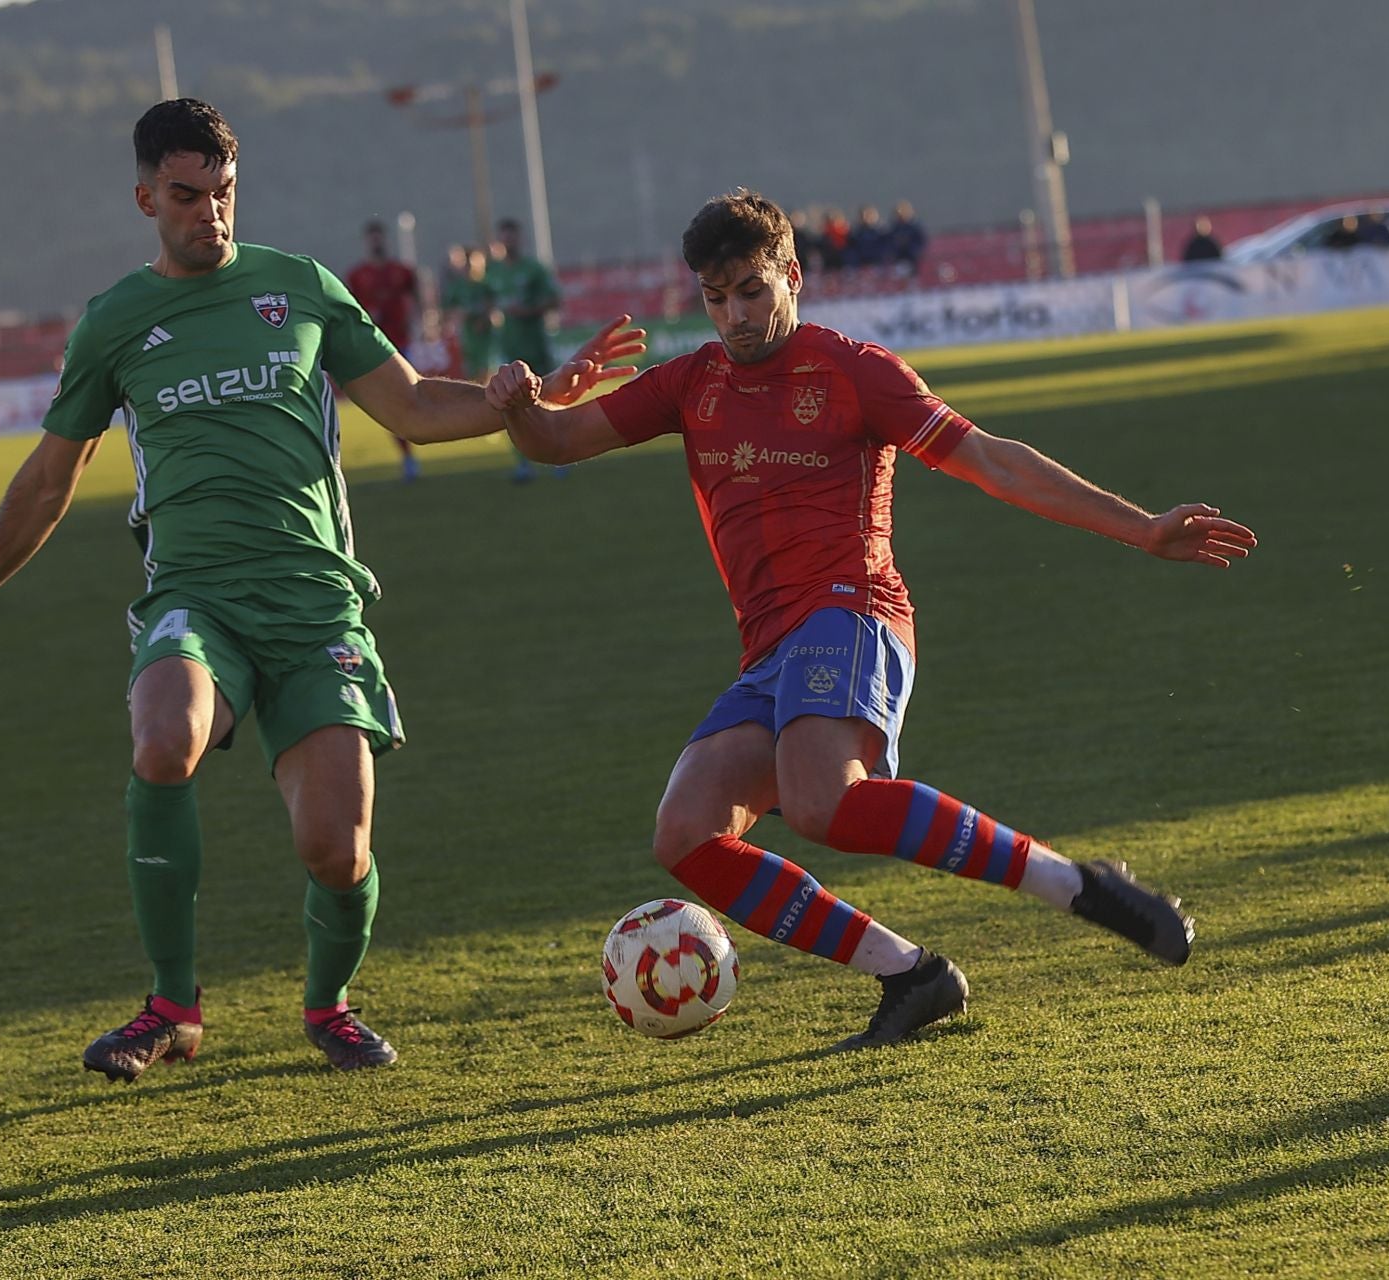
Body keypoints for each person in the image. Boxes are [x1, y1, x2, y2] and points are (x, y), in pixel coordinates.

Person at [0, 98, 640, 1081]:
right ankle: (173, 1003)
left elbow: (416, 405)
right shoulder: (116, 322)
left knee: (335, 851)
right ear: (144, 198)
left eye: (223, 194)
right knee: (163, 736)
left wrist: (525, 398)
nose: (209, 214)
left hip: (314, 607)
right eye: (185, 196)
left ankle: (328, 1003)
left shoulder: (299, 289)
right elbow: (50, 477)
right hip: (196, 595)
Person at [486, 189, 1256, 1048]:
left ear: (792, 276)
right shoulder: (690, 382)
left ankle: (1078, 886)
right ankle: (911, 975)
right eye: (714, 297)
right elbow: (552, 443)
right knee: (686, 834)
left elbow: (994, 461)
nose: (734, 315)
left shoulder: (853, 370)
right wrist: (527, 402)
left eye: (750, 289)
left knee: (822, 802)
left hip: (853, 614)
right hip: (769, 649)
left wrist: (1140, 526)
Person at [485, 217, 562, 481]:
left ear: (519, 238)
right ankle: (523, 462)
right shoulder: (492, 272)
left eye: (512, 236)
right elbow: (486, 303)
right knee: (511, 406)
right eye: (504, 236)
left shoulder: (534, 269)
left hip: (536, 345)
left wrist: (528, 311)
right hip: (508, 348)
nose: (508, 241)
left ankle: (560, 457)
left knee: (550, 399)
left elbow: (554, 300)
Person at [346, 220, 423, 481]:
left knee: (408, 396)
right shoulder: (358, 275)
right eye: (372, 238)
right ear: (367, 241)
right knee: (391, 403)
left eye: (379, 237)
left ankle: (413, 451)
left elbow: (417, 297)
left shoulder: (400, 271)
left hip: (401, 344)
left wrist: (420, 321)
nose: (376, 242)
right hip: (375, 348)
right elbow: (350, 309)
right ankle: (408, 456)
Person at [439, 243, 497, 382]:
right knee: (471, 370)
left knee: (488, 368)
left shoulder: (486, 285)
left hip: (486, 337)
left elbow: (496, 309)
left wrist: (485, 318)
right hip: (467, 335)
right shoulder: (458, 288)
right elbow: (447, 311)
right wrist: (458, 315)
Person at [887, 200, 928, 276]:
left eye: (903, 212)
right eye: (898, 213)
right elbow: (889, 244)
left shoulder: (915, 227)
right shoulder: (894, 228)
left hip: (911, 258)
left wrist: (909, 247)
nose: (901, 215)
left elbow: (921, 243)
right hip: (898, 258)